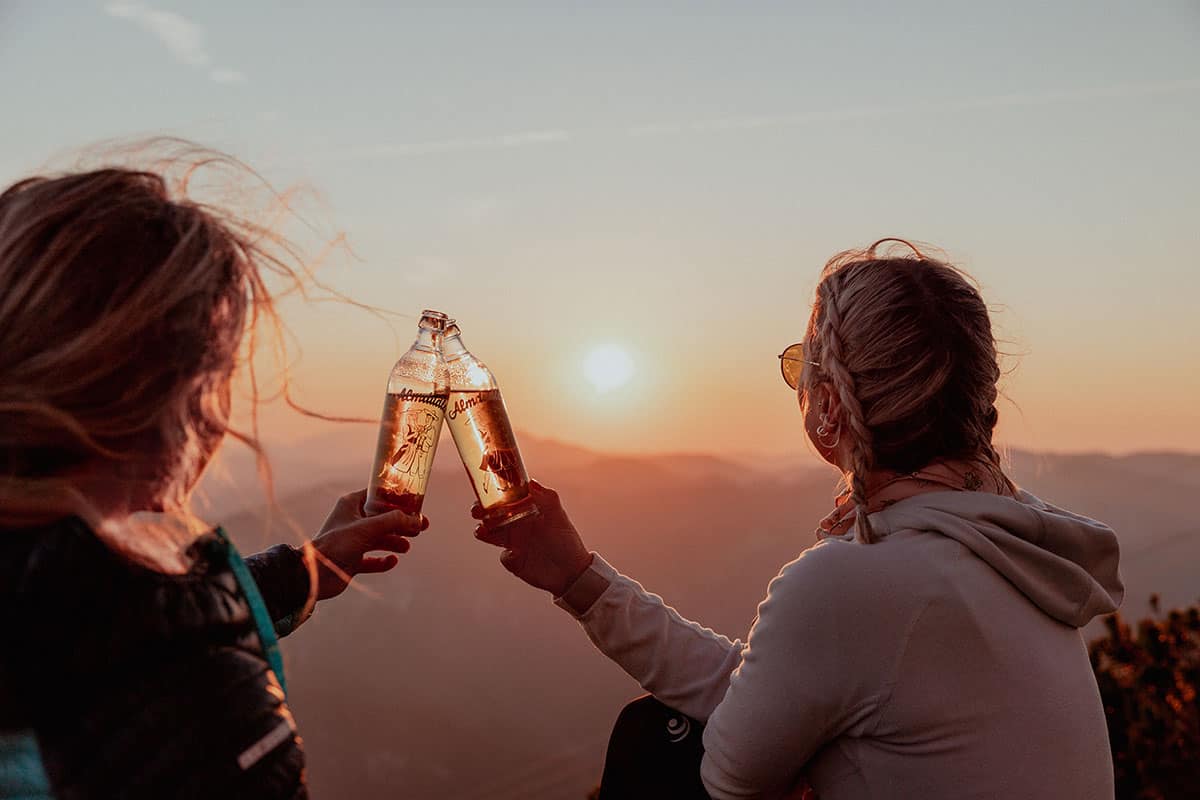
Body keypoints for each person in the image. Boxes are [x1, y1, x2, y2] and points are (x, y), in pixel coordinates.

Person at [475, 239, 1124, 799]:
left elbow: (726, 776)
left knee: (656, 747)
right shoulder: (1013, 550)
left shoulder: (859, 581)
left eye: (802, 367)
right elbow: (762, 691)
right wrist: (579, 578)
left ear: (833, 404)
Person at [0, 160, 425, 798]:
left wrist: (302, 573)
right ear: (167, 394)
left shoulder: (54, 609)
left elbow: (93, 632)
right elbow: (127, 648)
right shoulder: (189, 698)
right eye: (220, 373)